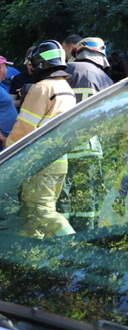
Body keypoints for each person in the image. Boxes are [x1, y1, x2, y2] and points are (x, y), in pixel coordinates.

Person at [6, 40, 76, 239]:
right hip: (59, 161)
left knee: (41, 211)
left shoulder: (42, 88)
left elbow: (24, 128)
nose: (28, 67)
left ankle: (75, 246)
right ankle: (30, 253)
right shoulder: (65, 87)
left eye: (31, 63)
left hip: (40, 162)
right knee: (30, 214)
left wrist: (7, 149)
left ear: (40, 64)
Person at [56, 37, 114, 231]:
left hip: (61, 147)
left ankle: (61, 237)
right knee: (87, 195)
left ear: (77, 52)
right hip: (90, 148)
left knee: (62, 195)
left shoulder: (65, 71)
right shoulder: (106, 80)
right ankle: (86, 235)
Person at [9, 46, 36, 110]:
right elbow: (10, 102)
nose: (31, 67)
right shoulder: (18, 78)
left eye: (34, 64)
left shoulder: (46, 78)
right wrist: (23, 101)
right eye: (29, 64)